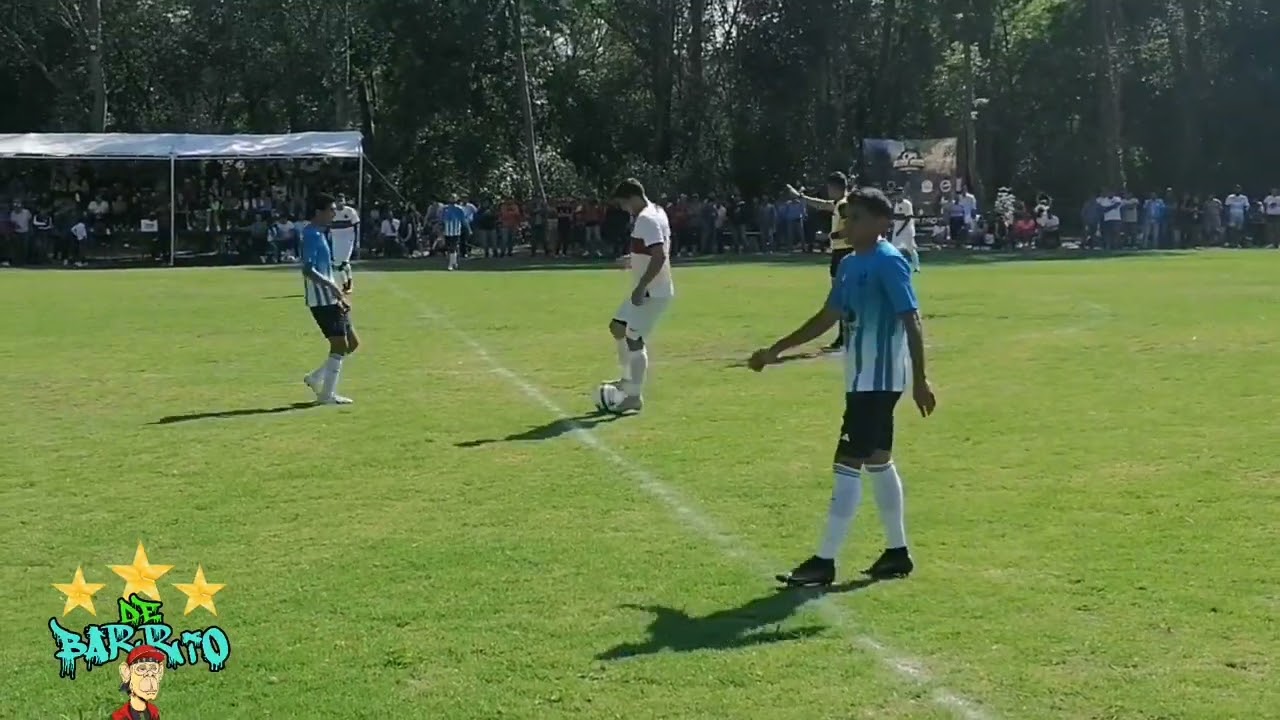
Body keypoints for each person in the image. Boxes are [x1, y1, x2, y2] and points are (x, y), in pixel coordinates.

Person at [748, 187, 936, 587]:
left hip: (878, 382)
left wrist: (920, 379)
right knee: (878, 460)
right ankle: (897, 552)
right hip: (860, 379)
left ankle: (824, 560)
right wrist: (776, 349)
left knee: (847, 462)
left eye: (856, 218)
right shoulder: (849, 264)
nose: (847, 224)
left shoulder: (889, 262)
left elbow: (912, 320)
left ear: (881, 223)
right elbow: (828, 315)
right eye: (846, 217)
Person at [605, 178, 674, 414]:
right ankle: (627, 381)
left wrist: (642, 285)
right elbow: (653, 250)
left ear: (633, 198)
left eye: (624, 204)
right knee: (617, 327)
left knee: (634, 339)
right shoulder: (657, 211)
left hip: (651, 292)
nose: (625, 209)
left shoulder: (646, 218)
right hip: (647, 289)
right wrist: (632, 260)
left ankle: (634, 396)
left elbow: (659, 255)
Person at [300, 193, 358, 405]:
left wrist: (340, 287)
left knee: (352, 343)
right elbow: (308, 269)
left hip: (332, 297)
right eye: (331, 209)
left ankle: (316, 378)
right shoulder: (311, 235)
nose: (335, 213)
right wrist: (331, 286)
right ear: (319, 212)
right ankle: (327, 395)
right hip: (321, 300)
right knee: (340, 344)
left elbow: (324, 266)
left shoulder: (320, 233)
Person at [787, 172, 851, 351]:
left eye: (829, 187)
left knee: (841, 297)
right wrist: (801, 197)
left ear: (835, 187)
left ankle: (844, 337)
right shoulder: (841, 203)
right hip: (840, 253)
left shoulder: (844, 205)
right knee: (843, 297)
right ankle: (845, 336)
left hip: (844, 253)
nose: (827, 191)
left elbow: (850, 229)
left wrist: (828, 236)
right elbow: (821, 204)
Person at [330, 194, 360, 293]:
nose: (340, 202)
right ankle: (344, 285)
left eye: (341, 200)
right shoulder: (332, 212)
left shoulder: (350, 211)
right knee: (337, 264)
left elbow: (356, 226)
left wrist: (357, 241)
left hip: (348, 239)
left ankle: (350, 283)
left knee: (344, 262)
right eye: (338, 200)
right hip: (336, 239)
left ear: (344, 201)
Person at [891, 190, 919, 270]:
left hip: (907, 229)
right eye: (896, 195)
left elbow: (908, 218)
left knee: (910, 248)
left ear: (902, 195)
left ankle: (916, 266)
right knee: (894, 248)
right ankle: (896, 265)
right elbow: (896, 216)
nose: (898, 196)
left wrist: (900, 230)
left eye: (899, 194)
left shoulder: (907, 204)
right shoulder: (896, 204)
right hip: (897, 228)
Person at [441, 195, 467, 270]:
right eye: (451, 198)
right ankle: (454, 262)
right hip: (447, 231)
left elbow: (463, 220)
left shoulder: (459, 209)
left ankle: (450, 264)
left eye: (453, 198)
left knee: (453, 247)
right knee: (449, 248)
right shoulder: (445, 209)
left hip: (456, 231)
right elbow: (442, 219)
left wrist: (467, 229)